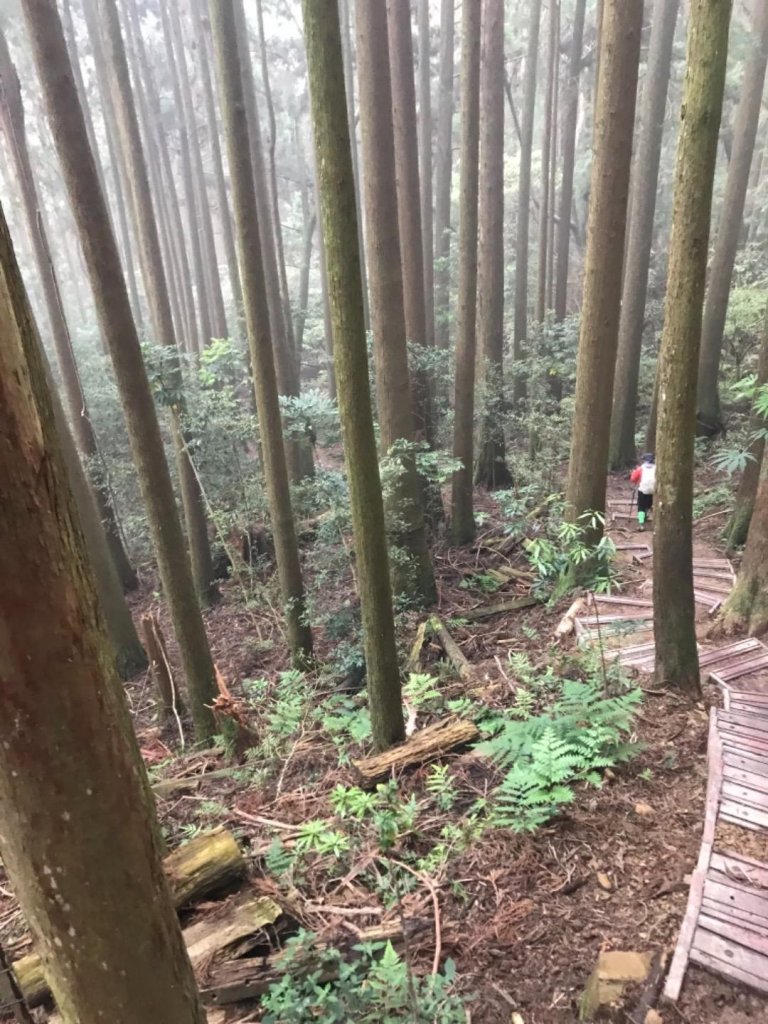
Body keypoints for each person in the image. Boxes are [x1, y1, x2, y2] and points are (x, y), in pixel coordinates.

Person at [629, 453, 655, 531]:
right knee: (652, 505)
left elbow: (633, 479)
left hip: (643, 491)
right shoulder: (657, 468)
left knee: (641, 507)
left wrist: (634, 472)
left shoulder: (640, 468)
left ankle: (641, 524)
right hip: (654, 491)